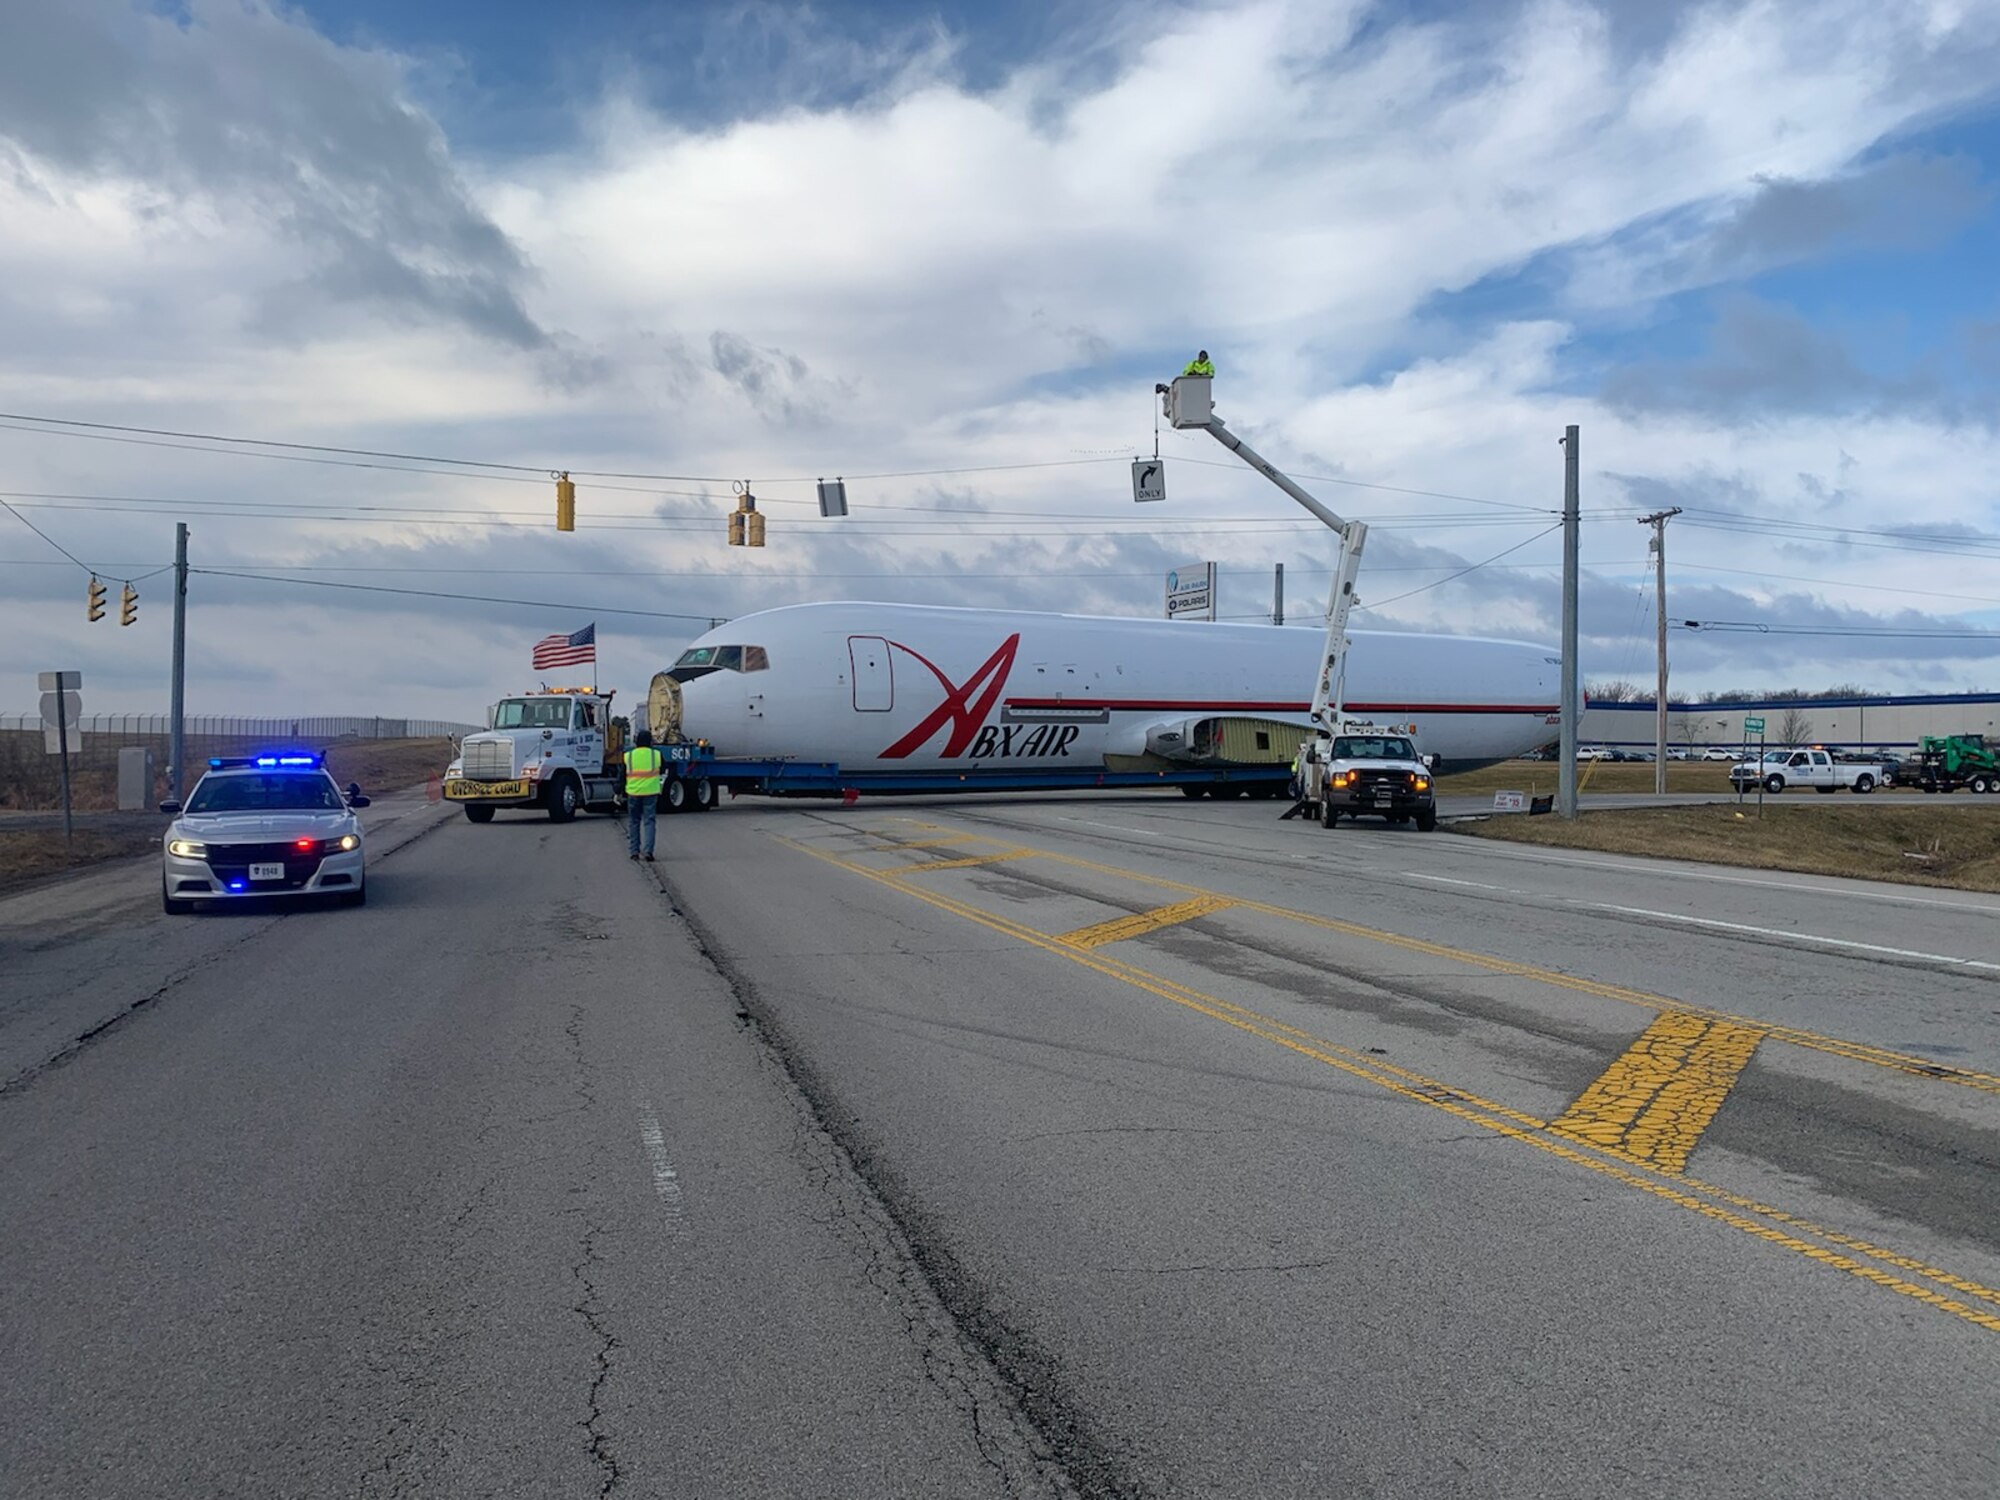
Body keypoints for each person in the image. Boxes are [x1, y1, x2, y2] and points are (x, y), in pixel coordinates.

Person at [623, 729, 664, 862]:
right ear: (650, 742)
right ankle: (648, 852)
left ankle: (634, 852)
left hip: (633, 793)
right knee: (649, 821)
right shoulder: (656, 755)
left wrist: (618, 791)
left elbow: (621, 775)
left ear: (636, 741)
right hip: (651, 792)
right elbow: (664, 768)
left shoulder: (628, 755)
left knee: (634, 822)